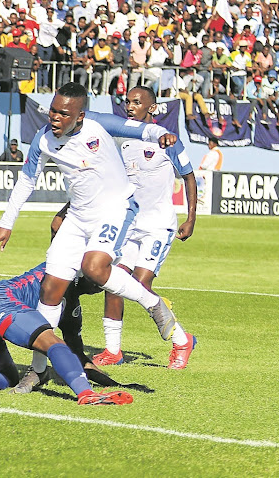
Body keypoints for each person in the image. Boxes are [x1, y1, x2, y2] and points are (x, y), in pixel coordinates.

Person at [0, 83, 180, 390]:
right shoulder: (44, 139)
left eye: (64, 113)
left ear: (80, 115)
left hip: (115, 209)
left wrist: (160, 135)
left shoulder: (98, 123)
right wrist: (6, 223)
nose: (55, 118)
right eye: (53, 110)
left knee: (94, 268)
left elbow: (140, 129)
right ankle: (39, 369)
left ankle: (153, 304)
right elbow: (26, 181)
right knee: (50, 289)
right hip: (78, 217)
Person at [91, 86, 197, 369]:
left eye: (137, 102)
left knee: (139, 285)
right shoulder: (123, 141)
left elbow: (189, 177)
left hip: (158, 226)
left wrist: (191, 218)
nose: (130, 106)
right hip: (129, 226)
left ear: (152, 108)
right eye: (128, 102)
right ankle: (113, 351)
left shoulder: (167, 139)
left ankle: (181, 340)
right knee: (112, 283)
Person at [0, 261, 133, 405]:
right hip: (0, 303)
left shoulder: (68, 293)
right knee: (54, 344)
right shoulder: (61, 274)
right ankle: (86, 394)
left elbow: (77, 356)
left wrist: (113, 383)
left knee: (8, 376)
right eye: (100, 280)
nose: (100, 287)